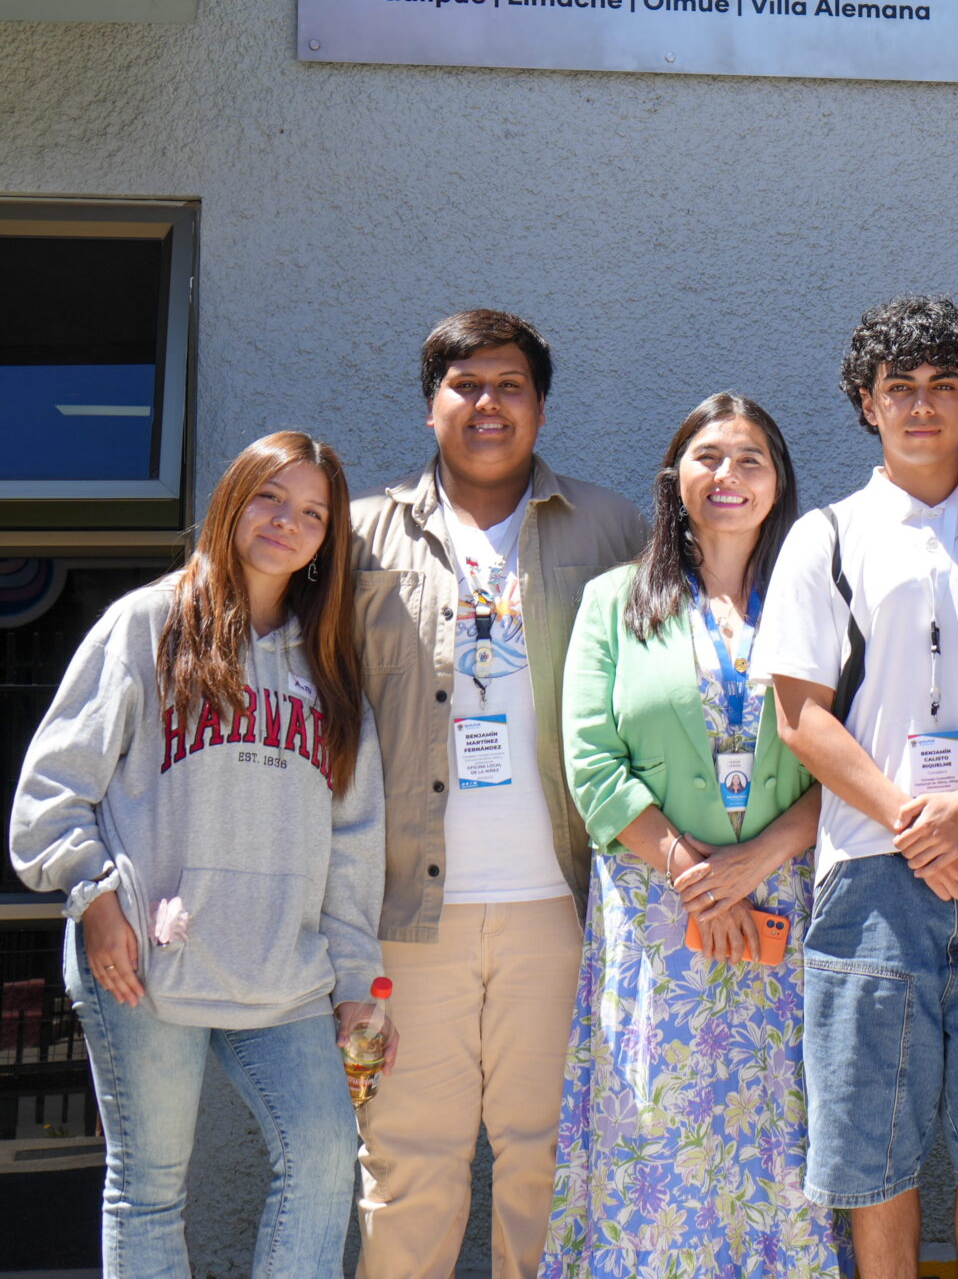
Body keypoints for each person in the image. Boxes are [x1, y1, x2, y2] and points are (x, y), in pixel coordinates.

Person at [12, 432, 385, 1276]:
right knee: (148, 1187)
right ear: (232, 498)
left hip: (281, 970)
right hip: (143, 964)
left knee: (325, 1159)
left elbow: (355, 842)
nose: (287, 522)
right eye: (270, 497)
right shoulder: (147, 624)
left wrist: (358, 982)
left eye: (312, 512)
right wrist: (94, 896)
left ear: (329, 538)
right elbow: (50, 790)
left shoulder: (328, 666)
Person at [350, 309, 648, 1279]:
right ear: (432, 404)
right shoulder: (360, 534)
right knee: (407, 1168)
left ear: (542, 407)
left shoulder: (609, 528)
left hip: (560, 906)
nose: (488, 404)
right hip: (408, 914)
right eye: (465, 385)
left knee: (551, 1165)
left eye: (509, 386)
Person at [762, 297, 958, 1279]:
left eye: (942, 387)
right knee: (871, 1148)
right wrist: (915, 821)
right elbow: (800, 715)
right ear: (867, 405)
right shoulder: (824, 536)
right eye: (899, 390)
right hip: (871, 875)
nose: (921, 406)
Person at [541, 394, 840, 1276]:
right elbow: (592, 763)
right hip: (658, 917)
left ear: (778, 482)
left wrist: (758, 860)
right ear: (676, 477)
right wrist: (691, 870)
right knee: (653, 1138)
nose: (728, 476)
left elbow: (853, 760)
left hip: (782, 916)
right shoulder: (614, 602)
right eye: (708, 456)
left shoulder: (816, 600)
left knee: (779, 1147)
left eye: (750, 459)